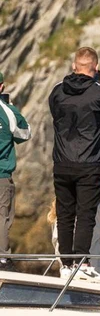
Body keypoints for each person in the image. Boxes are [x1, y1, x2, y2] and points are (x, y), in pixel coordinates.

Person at [49, 46, 100, 283]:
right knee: (85, 214)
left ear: (74, 66)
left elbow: (54, 111)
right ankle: (82, 263)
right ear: (96, 67)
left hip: (62, 163)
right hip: (90, 164)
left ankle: (66, 264)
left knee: (64, 214)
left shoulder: (57, 90)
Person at [0, 71, 32, 271]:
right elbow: (25, 133)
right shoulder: (7, 111)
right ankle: (3, 259)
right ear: (1, 87)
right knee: (2, 217)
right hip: (1, 175)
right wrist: (10, 107)